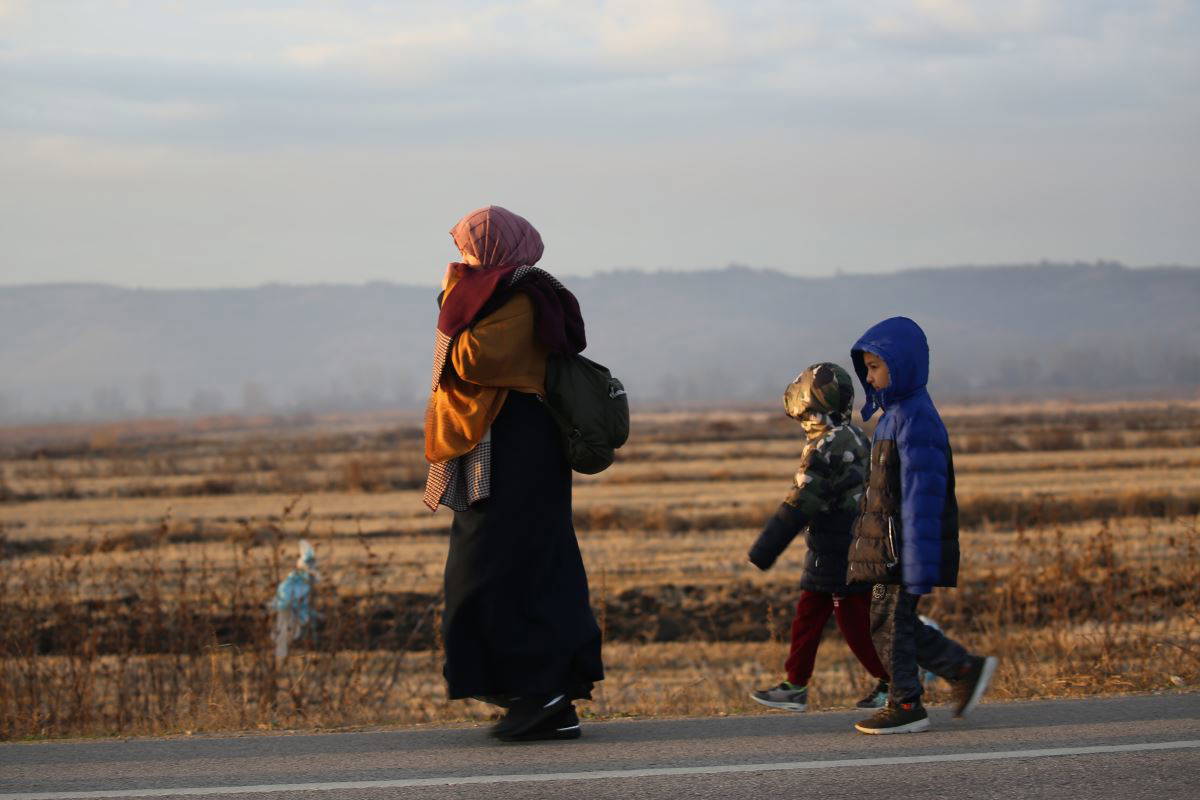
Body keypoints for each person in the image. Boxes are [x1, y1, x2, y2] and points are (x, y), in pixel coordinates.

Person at [423, 205, 603, 742]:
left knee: (510, 568)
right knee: (500, 568)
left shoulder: (523, 296)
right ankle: (539, 696)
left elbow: (474, 360)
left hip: (520, 446)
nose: (462, 259)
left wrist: (456, 295)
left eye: (470, 249)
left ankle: (544, 692)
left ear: (497, 247)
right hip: (500, 444)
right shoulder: (497, 295)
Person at [845, 316, 997, 734]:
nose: (869, 376)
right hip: (889, 546)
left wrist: (916, 563)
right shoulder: (894, 415)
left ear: (903, 364)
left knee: (888, 622)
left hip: (901, 549)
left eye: (876, 367)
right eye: (868, 368)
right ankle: (963, 667)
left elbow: (923, 498)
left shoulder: (916, 419)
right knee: (892, 621)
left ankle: (907, 703)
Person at [748, 363, 890, 713]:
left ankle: (895, 680)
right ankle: (795, 684)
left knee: (854, 624)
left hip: (844, 551)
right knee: (808, 615)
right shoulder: (855, 434)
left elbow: (800, 502)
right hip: (833, 548)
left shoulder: (826, 445)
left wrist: (764, 550)